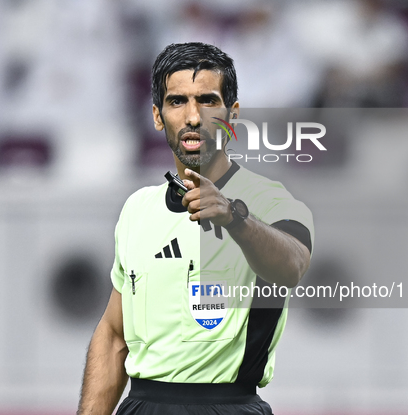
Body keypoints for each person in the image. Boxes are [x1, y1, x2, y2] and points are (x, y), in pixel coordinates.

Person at [78, 42, 314, 415]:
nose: (192, 117)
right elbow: (113, 337)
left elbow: (292, 266)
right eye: (176, 102)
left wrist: (235, 218)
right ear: (157, 116)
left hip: (228, 405)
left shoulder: (270, 200)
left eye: (207, 100)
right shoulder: (138, 208)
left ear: (231, 115)